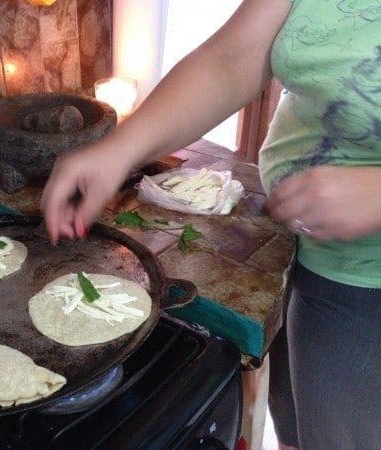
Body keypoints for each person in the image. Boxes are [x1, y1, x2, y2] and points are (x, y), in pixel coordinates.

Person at [40, 0, 381, 449]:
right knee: (301, 429)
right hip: (297, 240)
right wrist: (119, 150)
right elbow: (231, 60)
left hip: (367, 282)